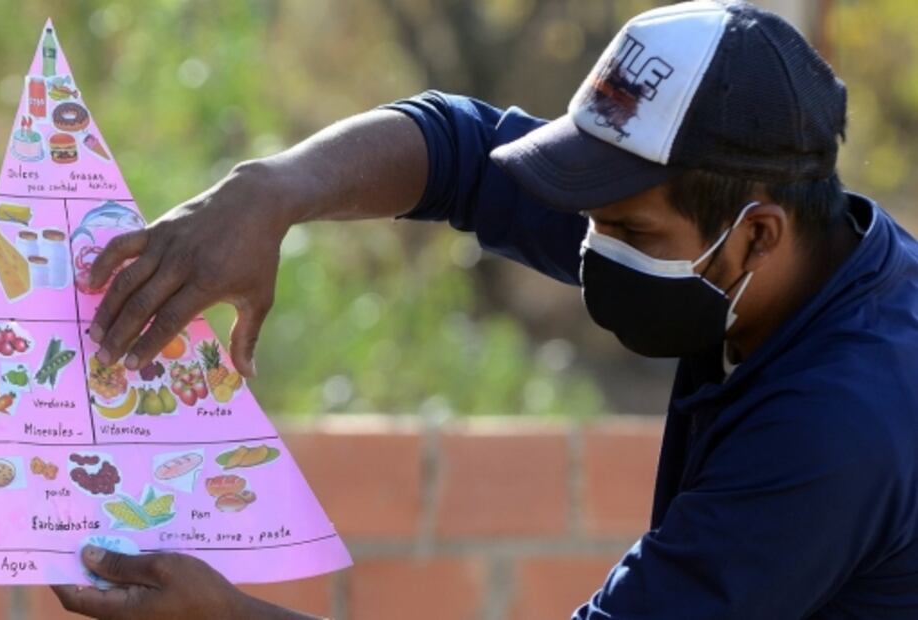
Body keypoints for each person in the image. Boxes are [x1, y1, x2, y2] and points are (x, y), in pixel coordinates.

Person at [54, 1, 918, 618]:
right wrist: (271, 193)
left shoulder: (838, 427)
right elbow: (460, 152)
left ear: (758, 233)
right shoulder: (744, 259)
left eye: (624, 229)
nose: (590, 248)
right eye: (586, 217)